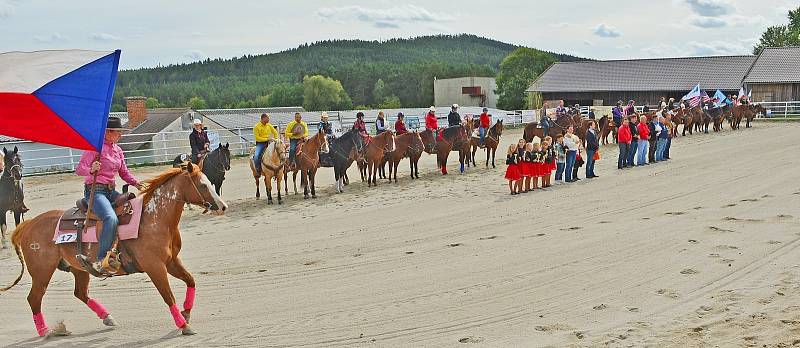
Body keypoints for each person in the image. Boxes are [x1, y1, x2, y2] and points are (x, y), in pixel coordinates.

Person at [75, 117, 144, 274]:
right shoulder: (94, 149)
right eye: (118, 132)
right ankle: (101, 259)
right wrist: (91, 169)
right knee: (110, 218)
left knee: (132, 207)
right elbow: (79, 169)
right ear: (107, 132)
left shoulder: (118, 150)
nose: (120, 135)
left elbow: (124, 172)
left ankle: (125, 249)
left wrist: (136, 183)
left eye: (120, 132)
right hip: (95, 190)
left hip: (111, 191)